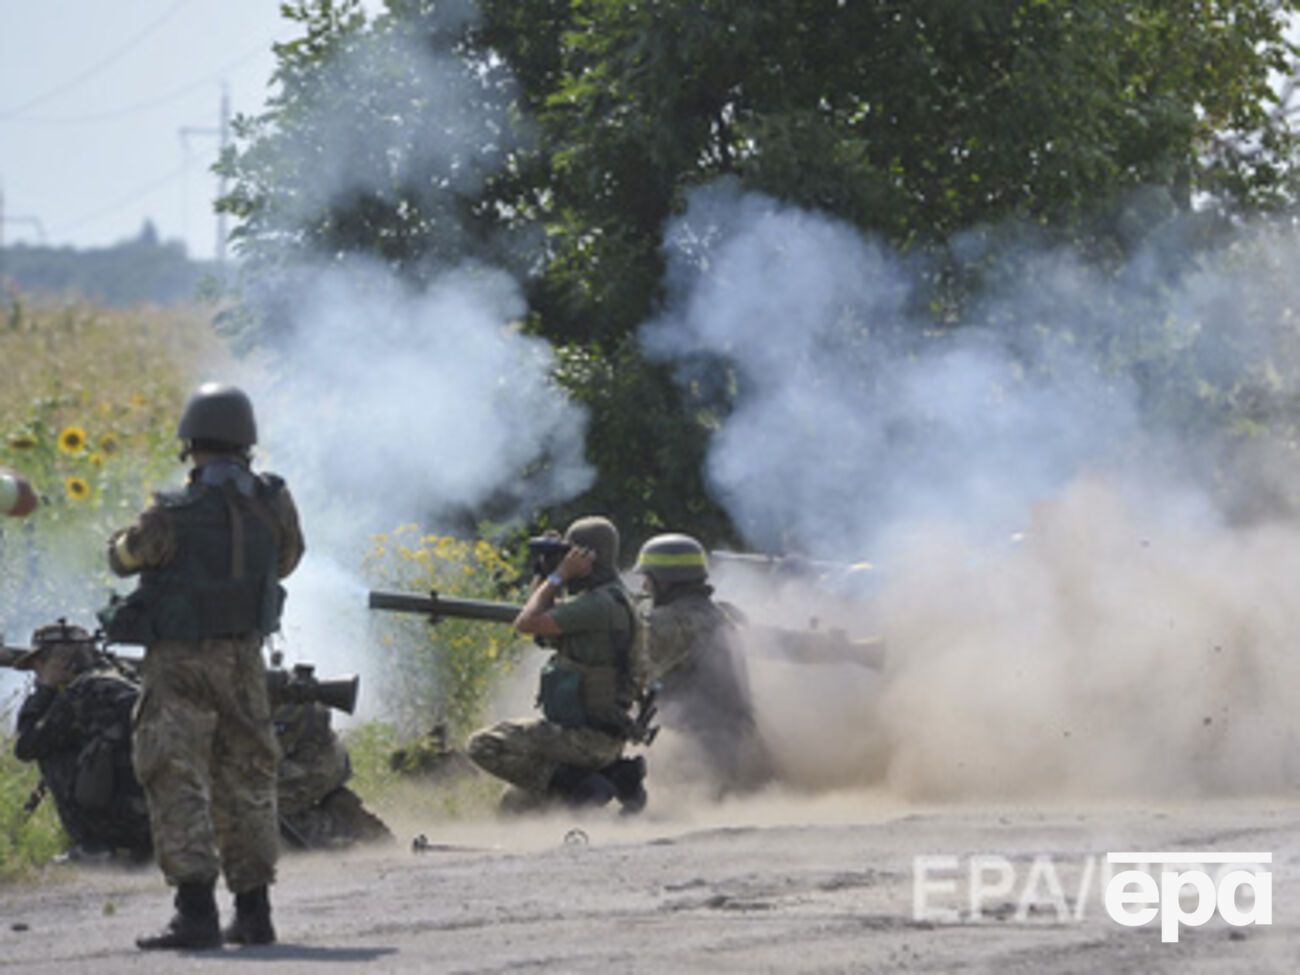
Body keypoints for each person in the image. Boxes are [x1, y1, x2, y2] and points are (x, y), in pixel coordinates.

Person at [100, 382, 305, 950]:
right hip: (244, 658)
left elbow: (123, 559)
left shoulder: (169, 511)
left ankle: (195, 915)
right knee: (249, 778)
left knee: (175, 775)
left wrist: (123, 540)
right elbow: (287, 560)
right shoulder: (275, 500)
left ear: (191, 442)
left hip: (180, 662)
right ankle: (255, 914)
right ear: (247, 443)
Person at [467, 515, 646, 813]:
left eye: (570, 553)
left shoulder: (597, 605)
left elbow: (526, 623)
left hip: (585, 739)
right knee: (514, 806)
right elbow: (540, 626)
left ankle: (581, 787)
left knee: (483, 745)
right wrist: (545, 569)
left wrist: (559, 575)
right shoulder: (613, 600)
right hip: (601, 737)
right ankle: (607, 779)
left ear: (587, 557)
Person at [633, 533, 773, 794]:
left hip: (697, 754)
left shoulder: (673, 622)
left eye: (647, 579)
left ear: (664, 581)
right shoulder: (717, 614)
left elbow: (626, 661)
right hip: (734, 744)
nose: (644, 588)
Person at [12, 620, 151, 862]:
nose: (36, 672)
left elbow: (26, 746)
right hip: (159, 823)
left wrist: (45, 688)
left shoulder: (81, 693)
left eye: (39, 664)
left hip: (119, 828)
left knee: (48, 748)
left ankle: (92, 845)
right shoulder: (126, 681)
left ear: (58, 661)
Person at [275, 699, 392, 850]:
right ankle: (341, 818)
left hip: (317, 764)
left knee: (265, 808)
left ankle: (339, 829)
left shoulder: (285, 704)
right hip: (318, 763)